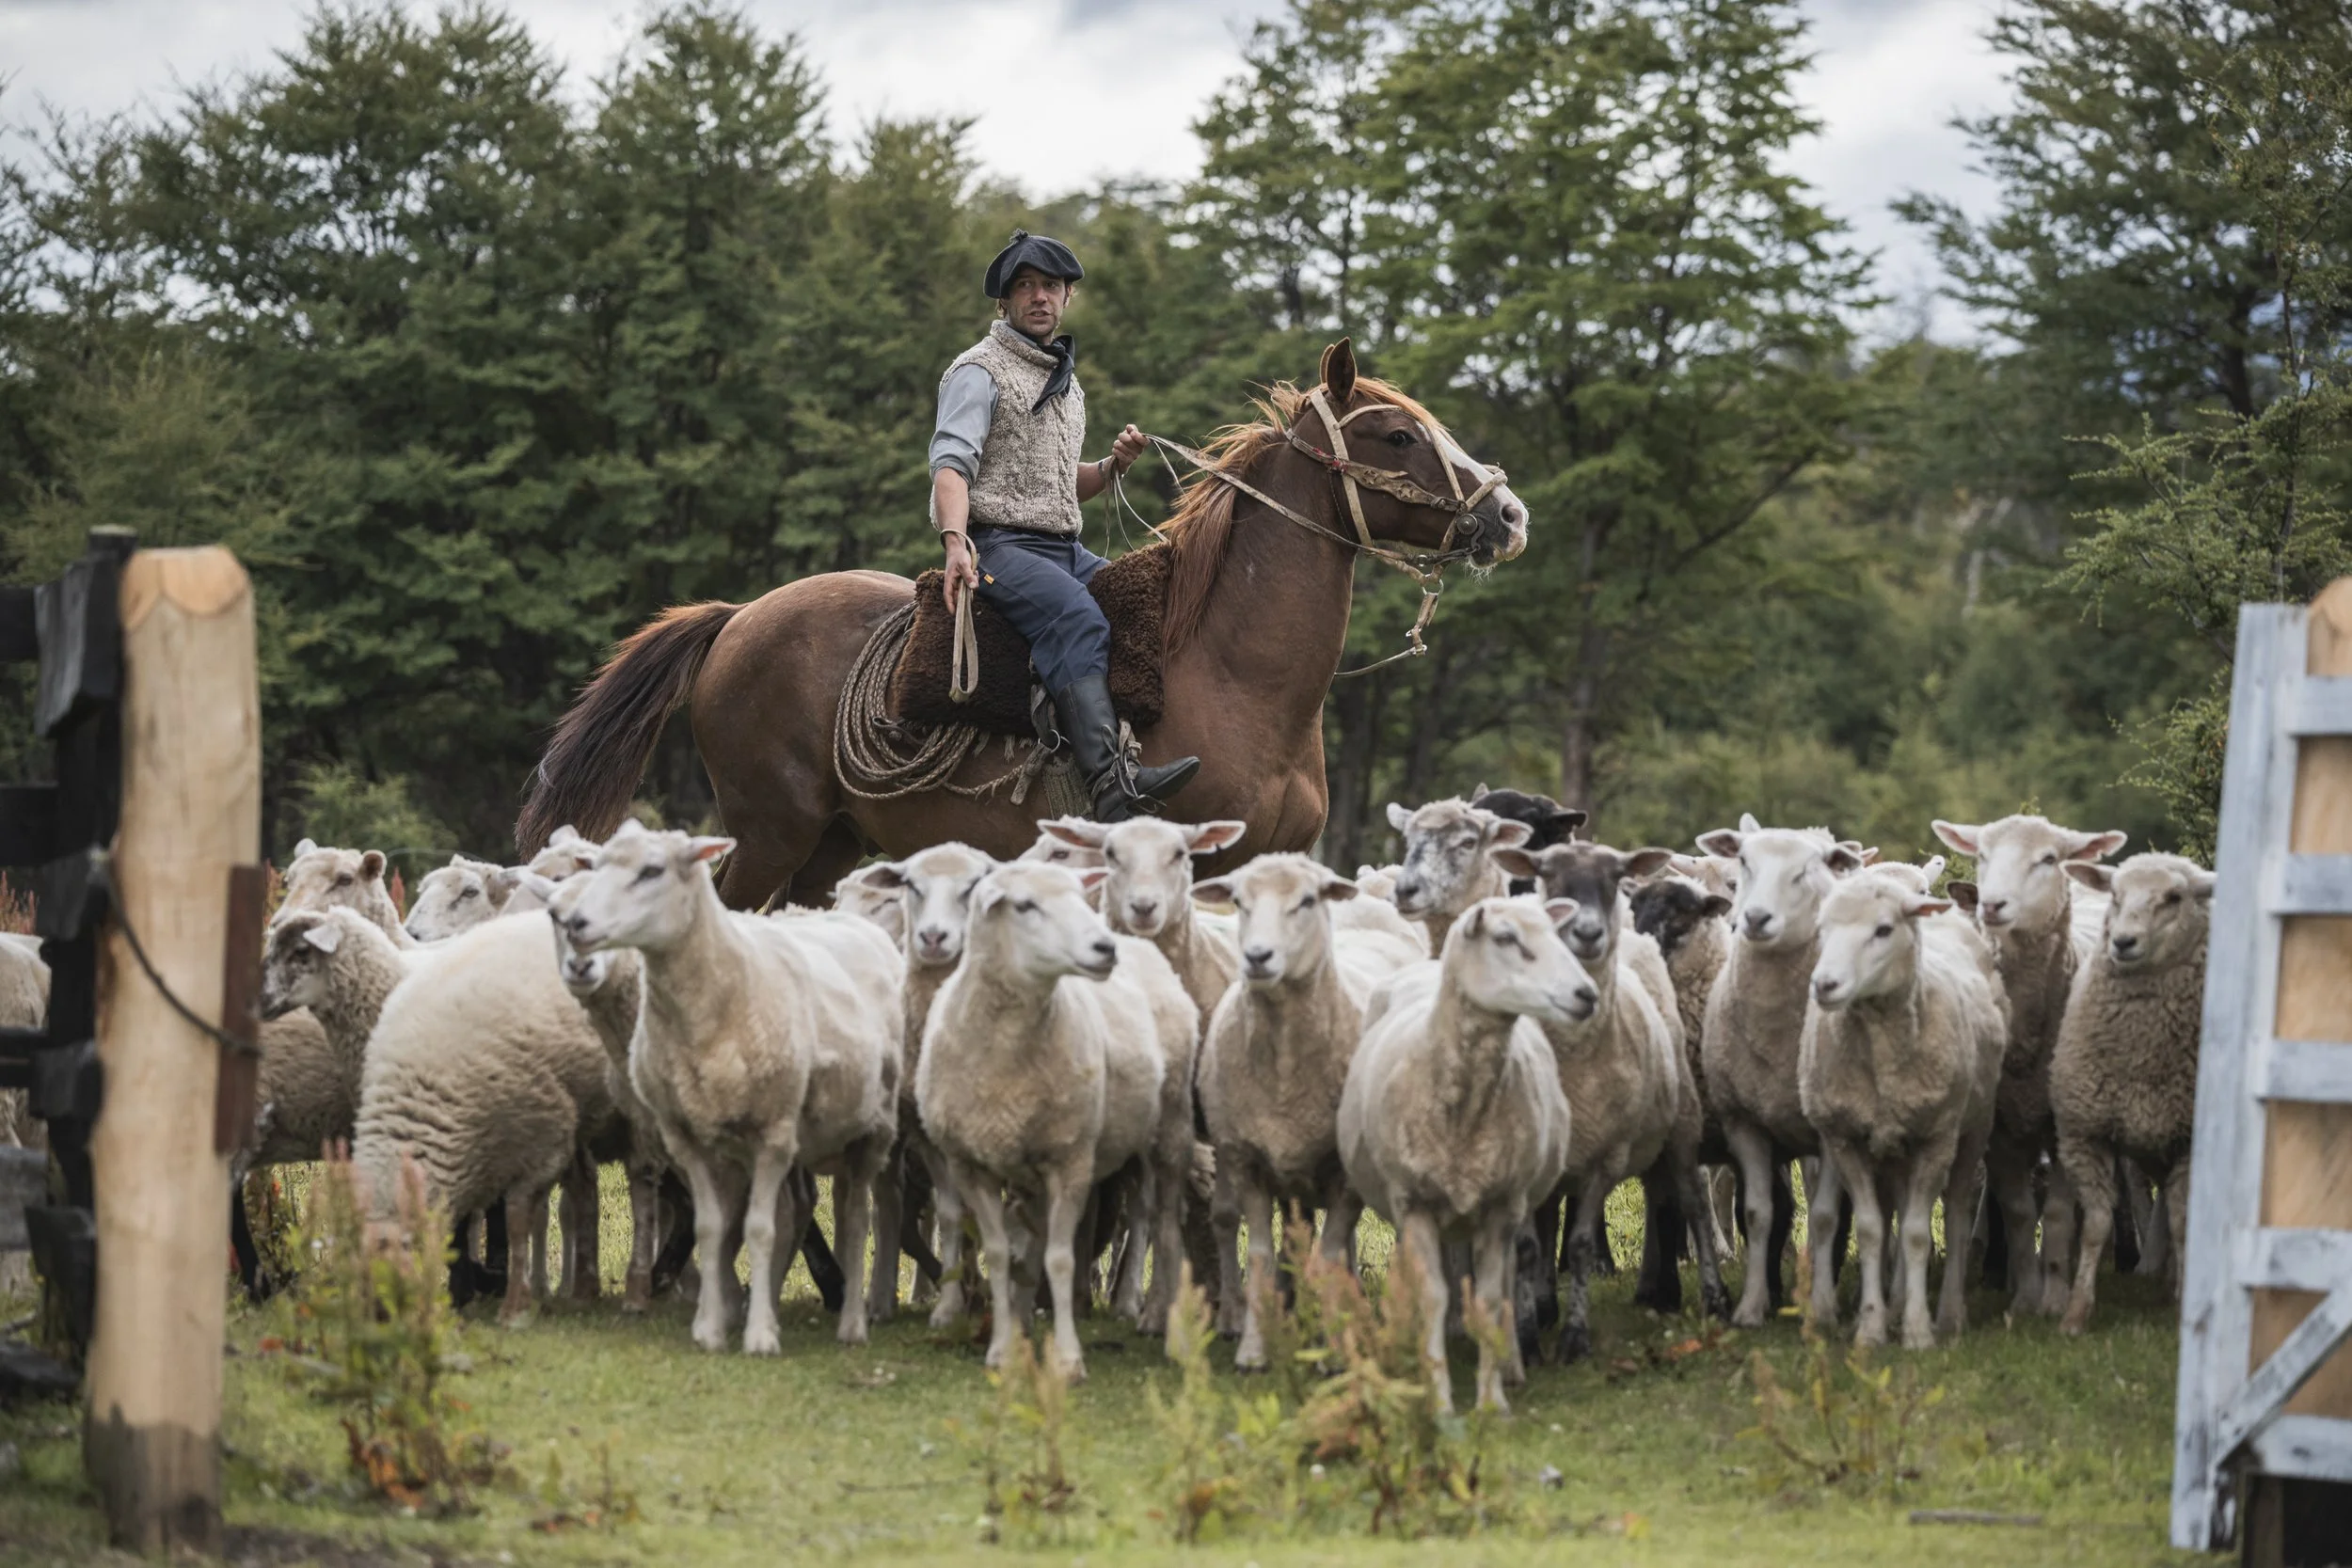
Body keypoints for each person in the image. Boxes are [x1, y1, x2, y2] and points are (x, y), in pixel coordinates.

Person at [928, 229, 1200, 822]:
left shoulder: (1067, 382)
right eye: (1024, 287)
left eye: (1049, 286)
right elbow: (951, 465)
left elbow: (1053, 482)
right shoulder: (979, 371)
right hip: (1000, 546)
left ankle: (1148, 747)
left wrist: (1111, 467)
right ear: (1004, 302)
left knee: (1152, 594)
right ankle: (1110, 786)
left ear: (1067, 296)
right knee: (1077, 617)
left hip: (1063, 547)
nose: (1038, 297)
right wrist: (956, 542)